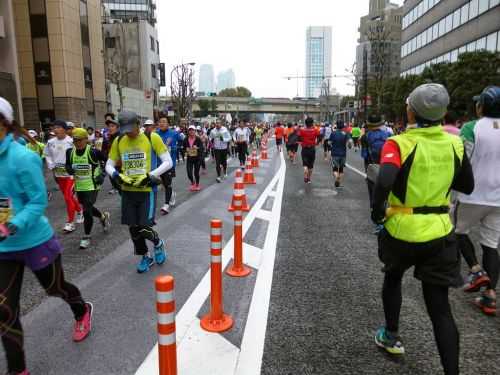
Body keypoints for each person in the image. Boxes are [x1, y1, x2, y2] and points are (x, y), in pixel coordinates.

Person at [371, 84, 474, 375]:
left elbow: (385, 179)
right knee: (440, 308)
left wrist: (377, 210)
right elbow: (467, 185)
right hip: (440, 231)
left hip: (401, 228)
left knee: (393, 278)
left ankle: (391, 336)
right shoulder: (454, 144)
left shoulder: (399, 143)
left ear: (411, 111)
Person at [0, 97, 93, 375]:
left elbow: (38, 201)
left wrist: (11, 225)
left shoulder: (22, 157)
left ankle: (82, 311)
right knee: (4, 312)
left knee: (56, 288)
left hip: (33, 240)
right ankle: (19, 370)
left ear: (4, 124)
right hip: (4, 250)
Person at [105, 111, 172, 273]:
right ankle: (145, 256)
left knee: (143, 226)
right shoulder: (119, 140)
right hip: (127, 191)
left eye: (131, 128)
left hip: (146, 190)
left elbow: (168, 162)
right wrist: (116, 175)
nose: (128, 132)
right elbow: (109, 164)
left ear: (138, 124)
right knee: (133, 228)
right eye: (125, 129)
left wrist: (150, 176)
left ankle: (157, 243)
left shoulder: (151, 138)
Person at [454, 86, 500, 315]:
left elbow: (462, 159)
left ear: (481, 106)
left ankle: (475, 269)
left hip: (472, 193)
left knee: (458, 232)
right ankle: (490, 296)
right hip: (498, 197)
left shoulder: (472, 128)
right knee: (491, 245)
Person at [65, 128, 110, 249]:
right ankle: (103, 217)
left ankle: (86, 236)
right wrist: (69, 169)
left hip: (93, 185)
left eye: (80, 140)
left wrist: (103, 174)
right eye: (75, 140)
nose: (77, 143)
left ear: (86, 140)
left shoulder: (93, 152)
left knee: (86, 210)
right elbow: (68, 164)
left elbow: (109, 160)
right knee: (87, 206)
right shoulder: (70, 152)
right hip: (80, 186)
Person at [44, 119, 83, 232]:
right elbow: (47, 154)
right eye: (54, 128)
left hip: (71, 175)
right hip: (59, 175)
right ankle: (80, 211)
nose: (55, 130)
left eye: (58, 127)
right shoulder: (51, 142)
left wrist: (74, 168)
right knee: (68, 197)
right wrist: (51, 164)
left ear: (64, 129)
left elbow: (79, 156)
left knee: (68, 197)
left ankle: (70, 222)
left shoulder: (71, 142)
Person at [362, 114, 391, 209]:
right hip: (388, 166)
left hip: (372, 166)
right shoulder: (389, 135)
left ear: (369, 124)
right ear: (381, 124)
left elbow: (364, 155)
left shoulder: (365, 137)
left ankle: (374, 210)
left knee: (373, 189)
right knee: (387, 189)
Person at [156, 115, 179, 215]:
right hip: (158, 164)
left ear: (168, 124)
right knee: (164, 184)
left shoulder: (174, 133)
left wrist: (172, 147)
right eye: (160, 121)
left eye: (164, 121)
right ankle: (172, 194)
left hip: (169, 164)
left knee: (168, 184)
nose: (161, 123)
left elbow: (181, 144)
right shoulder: (155, 134)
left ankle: (166, 205)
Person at [329, 120, 353, 188]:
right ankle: (339, 181)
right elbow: (350, 141)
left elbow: (329, 142)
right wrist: (349, 146)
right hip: (343, 153)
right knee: (341, 168)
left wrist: (331, 145)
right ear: (343, 126)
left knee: (335, 168)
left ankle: (336, 177)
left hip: (335, 153)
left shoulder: (333, 133)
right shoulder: (346, 133)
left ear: (337, 125)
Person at [298, 117, 320, 184]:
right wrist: (317, 143)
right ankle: (309, 178)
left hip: (304, 149)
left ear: (305, 123)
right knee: (311, 165)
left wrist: (302, 142)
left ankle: (305, 172)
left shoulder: (302, 130)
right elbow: (320, 137)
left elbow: (299, 138)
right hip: (312, 149)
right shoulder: (315, 130)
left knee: (305, 164)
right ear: (312, 123)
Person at [183, 125, 204, 191]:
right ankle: (192, 182)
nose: (191, 131)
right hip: (190, 158)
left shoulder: (198, 139)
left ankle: (197, 184)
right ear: (188, 131)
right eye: (190, 130)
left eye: (193, 130)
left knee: (196, 173)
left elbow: (202, 148)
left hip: (197, 158)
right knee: (189, 173)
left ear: (195, 131)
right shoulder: (185, 139)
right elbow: (183, 149)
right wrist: (185, 151)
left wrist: (197, 148)